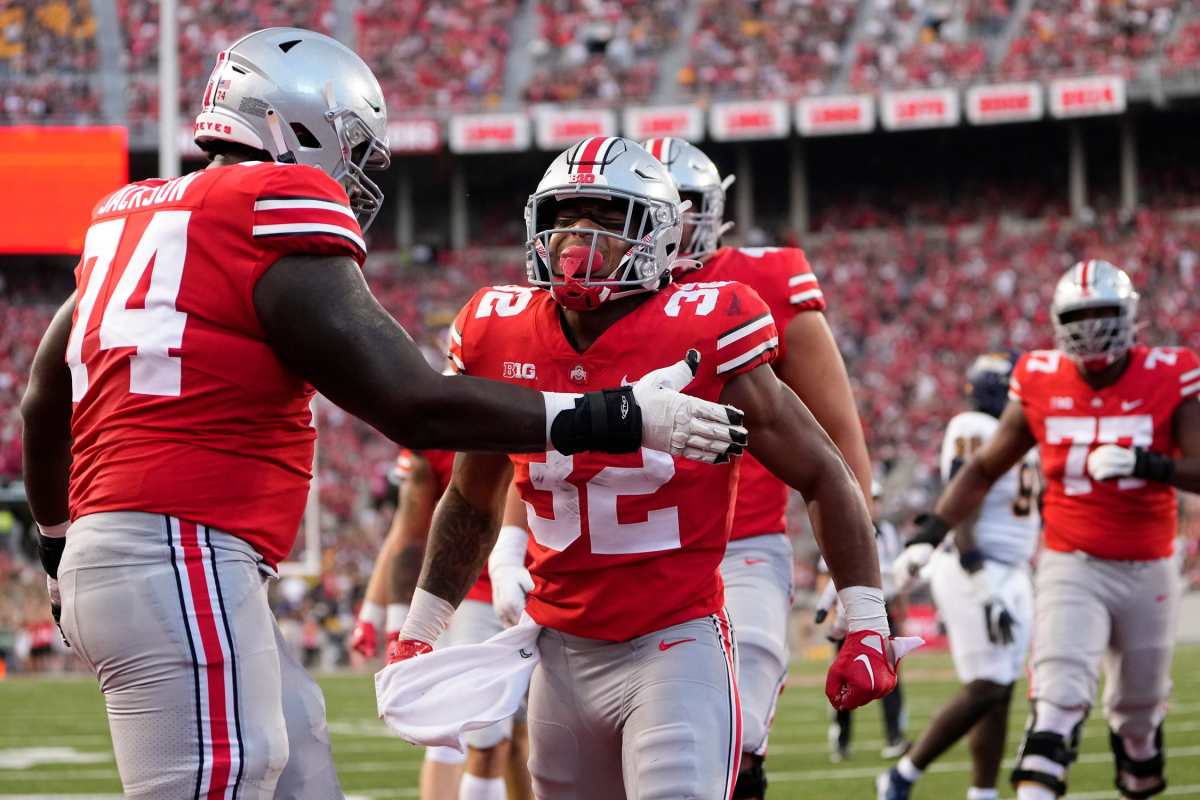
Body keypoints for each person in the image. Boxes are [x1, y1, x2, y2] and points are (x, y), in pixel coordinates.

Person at [18, 32, 745, 799]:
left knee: (303, 770)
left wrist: (58, 548)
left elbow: (42, 399)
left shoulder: (131, 214)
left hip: (131, 550)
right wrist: (618, 417)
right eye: (354, 145)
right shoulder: (272, 202)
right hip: (176, 546)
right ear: (295, 126)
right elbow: (413, 403)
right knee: (219, 782)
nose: (360, 173)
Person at [386, 137, 913, 800]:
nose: (580, 238)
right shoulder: (501, 331)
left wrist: (867, 618)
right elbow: (470, 498)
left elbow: (822, 471)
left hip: (674, 640)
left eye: (608, 220)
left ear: (660, 236)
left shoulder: (706, 325)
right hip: (559, 647)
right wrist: (418, 631)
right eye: (566, 217)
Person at [896, 260, 1200, 800]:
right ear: (1058, 322)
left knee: (1137, 725)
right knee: (1055, 706)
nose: (1093, 327)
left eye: (1104, 313)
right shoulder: (1039, 377)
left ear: (1130, 316)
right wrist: (930, 530)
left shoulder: (1169, 371)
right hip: (1071, 561)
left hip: (1149, 563)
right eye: (1080, 315)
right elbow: (985, 467)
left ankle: (1137, 750)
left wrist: (1147, 465)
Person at [641, 135, 874, 797]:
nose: (669, 220)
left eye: (682, 204)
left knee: (735, 738)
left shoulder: (766, 278)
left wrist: (854, 572)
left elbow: (837, 436)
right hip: (631, 553)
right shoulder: (600, 291)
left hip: (742, 541)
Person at [879, 351, 1041, 800]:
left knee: (1003, 690)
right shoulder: (973, 427)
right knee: (988, 687)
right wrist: (985, 586)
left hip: (1011, 569)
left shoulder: (1022, 431)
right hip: (976, 566)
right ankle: (901, 776)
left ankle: (982, 793)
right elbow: (962, 502)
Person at [356, 448, 533, 800]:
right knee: (478, 744)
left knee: (530, 739)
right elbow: (407, 530)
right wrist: (389, 622)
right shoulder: (433, 433)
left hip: (549, 583)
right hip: (469, 597)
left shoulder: (527, 400)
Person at [819, 480, 909, 763]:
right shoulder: (843, 526)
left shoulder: (889, 533)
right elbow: (826, 573)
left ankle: (895, 736)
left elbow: (897, 577)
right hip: (850, 615)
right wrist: (833, 614)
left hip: (882, 612)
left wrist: (901, 611)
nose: (874, 504)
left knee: (890, 677)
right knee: (845, 675)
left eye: (877, 499)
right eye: (870, 498)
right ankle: (842, 739)